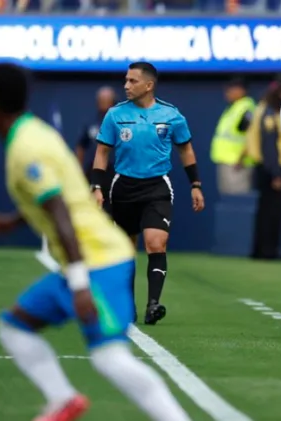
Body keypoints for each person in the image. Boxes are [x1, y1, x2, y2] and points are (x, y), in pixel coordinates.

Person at [0, 62, 190, 421]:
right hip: (84, 263)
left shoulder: (26, 146)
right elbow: (63, 197)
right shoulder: (32, 133)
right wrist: (11, 221)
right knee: (13, 326)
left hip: (97, 263)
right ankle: (62, 399)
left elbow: (60, 213)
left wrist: (78, 284)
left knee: (109, 358)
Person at [92, 61, 205, 325]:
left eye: (132, 81)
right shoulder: (115, 115)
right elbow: (102, 152)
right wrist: (96, 187)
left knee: (156, 243)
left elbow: (185, 150)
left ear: (148, 85)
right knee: (125, 249)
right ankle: (125, 305)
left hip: (156, 188)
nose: (126, 86)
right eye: (126, 80)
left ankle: (153, 304)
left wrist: (196, 185)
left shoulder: (172, 115)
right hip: (123, 187)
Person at [242, 80, 281, 260]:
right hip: (270, 168)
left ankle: (262, 249)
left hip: (268, 167)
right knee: (271, 211)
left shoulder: (264, 110)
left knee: (268, 210)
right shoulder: (269, 113)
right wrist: (276, 174)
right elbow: (269, 146)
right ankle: (267, 251)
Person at [210, 78, 256, 195]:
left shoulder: (246, 108)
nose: (227, 93)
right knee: (227, 201)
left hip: (238, 163)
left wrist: (241, 158)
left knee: (237, 201)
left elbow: (251, 137)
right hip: (227, 161)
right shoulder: (234, 107)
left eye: (230, 90)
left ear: (240, 90)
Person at [76, 86, 117, 213]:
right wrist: (79, 171)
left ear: (113, 101)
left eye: (106, 100)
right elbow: (81, 147)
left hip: (116, 173)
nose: (103, 103)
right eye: (101, 99)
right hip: (94, 173)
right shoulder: (91, 125)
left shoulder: (122, 124)